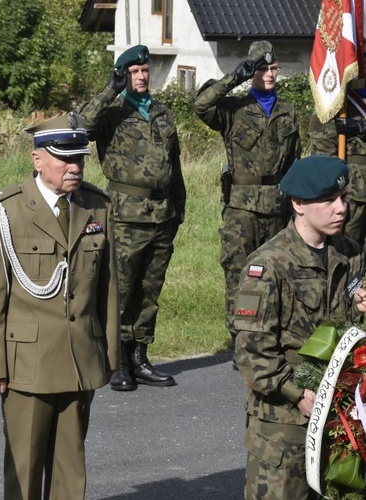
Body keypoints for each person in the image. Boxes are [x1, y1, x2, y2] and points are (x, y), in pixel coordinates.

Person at [0, 113, 119, 499]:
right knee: (25, 467)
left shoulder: (97, 206)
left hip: (80, 356)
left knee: (71, 469)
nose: (75, 167)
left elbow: (108, 288)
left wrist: (109, 355)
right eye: (64, 158)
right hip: (27, 363)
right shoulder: (5, 210)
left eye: (80, 159)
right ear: (37, 159)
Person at [234, 156, 366, 499]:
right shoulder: (268, 265)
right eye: (328, 201)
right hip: (285, 424)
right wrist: (298, 394)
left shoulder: (350, 255)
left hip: (342, 420)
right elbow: (252, 353)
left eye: (343, 198)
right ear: (299, 204)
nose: (341, 208)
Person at [78, 44, 185, 391]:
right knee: (121, 290)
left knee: (150, 290)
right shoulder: (113, 111)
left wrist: (178, 210)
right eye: (133, 72)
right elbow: (79, 126)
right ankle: (118, 361)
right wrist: (110, 88)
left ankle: (140, 356)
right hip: (126, 214)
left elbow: (176, 166)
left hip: (161, 213)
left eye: (144, 71)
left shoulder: (163, 114)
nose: (141, 76)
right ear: (124, 75)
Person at [192, 40, 301, 356]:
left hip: (278, 206)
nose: (269, 73)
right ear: (251, 71)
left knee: (277, 275)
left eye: (273, 67)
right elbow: (201, 105)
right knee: (240, 274)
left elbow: (293, 163)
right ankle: (241, 341)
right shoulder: (234, 109)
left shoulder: (288, 113)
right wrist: (234, 77)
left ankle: (270, 337)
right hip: (241, 209)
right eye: (261, 68)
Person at [309, 101, 366, 245]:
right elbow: (323, 162)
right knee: (347, 249)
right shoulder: (333, 105)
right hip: (353, 194)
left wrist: (362, 127)